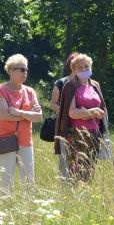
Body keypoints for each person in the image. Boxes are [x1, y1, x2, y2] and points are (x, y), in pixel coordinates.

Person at [54, 54, 108, 184]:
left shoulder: (95, 85)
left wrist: (101, 113)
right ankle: (73, 196)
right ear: (74, 69)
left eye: (86, 66)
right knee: (75, 169)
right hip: (76, 134)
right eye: (80, 67)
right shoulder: (71, 85)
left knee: (89, 168)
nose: (84, 69)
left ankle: (86, 196)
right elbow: (72, 113)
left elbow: (102, 107)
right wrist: (92, 112)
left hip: (95, 133)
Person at [0, 54, 43, 194]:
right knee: (6, 180)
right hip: (5, 138)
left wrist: (18, 112)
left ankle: (27, 211)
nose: (25, 72)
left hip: (25, 140)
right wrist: (28, 115)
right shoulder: (0, 90)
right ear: (10, 71)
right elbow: (4, 115)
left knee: (29, 180)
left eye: (26, 70)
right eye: (21, 69)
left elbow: (39, 116)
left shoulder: (30, 91)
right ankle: (5, 211)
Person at [50, 52, 79, 181]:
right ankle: (65, 187)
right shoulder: (61, 83)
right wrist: (67, 112)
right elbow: (52, 104)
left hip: (83, 126)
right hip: (64, 125)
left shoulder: (87, 83)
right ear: (71, 66)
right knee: (65, 159)